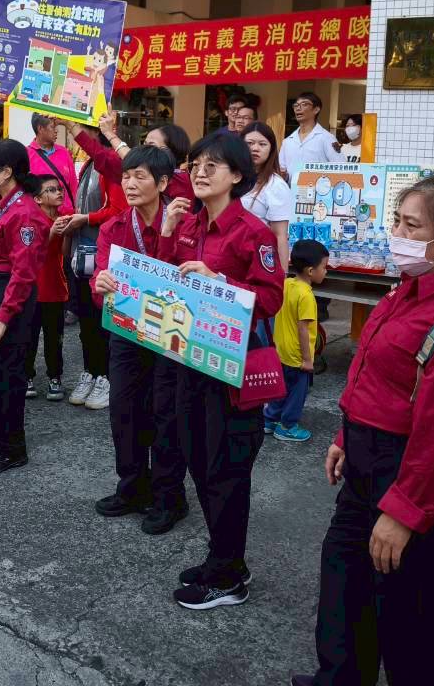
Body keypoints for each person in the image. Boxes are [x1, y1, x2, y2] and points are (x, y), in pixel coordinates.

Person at [293, 174, 434, 686]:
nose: (397, 234)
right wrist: (346, 436)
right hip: (366, 465)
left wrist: (404, 512)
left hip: (414, 482)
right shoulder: (408, 289)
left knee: (413, 633)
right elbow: (375, 374)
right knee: (345, 595)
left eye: (412, 225)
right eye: (397, 221)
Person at [157, 131, 285, 610]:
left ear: (237, 175)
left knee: (226, 472)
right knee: (196, 459)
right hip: (191, 358)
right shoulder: (189, 223)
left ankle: (227, 575)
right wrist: (168, 235)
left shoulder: (252, 232)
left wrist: (221, 284)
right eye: (195, 164)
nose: (200, 172)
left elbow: (270, 298)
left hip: (232, 373)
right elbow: (169, 280)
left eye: (213, 165)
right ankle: (225, 559)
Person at [92, 144, 190, 535]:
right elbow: (100, 282)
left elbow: (181, 284)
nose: (129, 184)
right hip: (128, 333)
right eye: (126, 176)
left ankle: (170, 497)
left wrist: (167, 236)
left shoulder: (186, 225)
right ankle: (132, 486)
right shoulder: (112, 228)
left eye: (140, 176)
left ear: (163, 183)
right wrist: (99, 283)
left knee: (167, 415)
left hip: (172, 336)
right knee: (125, 409)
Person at [0, 139, 50, 474]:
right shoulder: (0, 202)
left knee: (7, 375)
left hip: (8, 297)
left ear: (7, 172)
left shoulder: (26, 213)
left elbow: (24, 273)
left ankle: (12, 448)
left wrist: (2, 317)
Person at [59, 126, 127, 411]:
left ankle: (105, 378)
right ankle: (90, 371)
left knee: (101, 319)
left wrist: (85, 218)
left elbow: (118, 209)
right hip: (81, 251)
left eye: (81, 132)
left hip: (100, 253)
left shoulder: (109, 163)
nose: (77, 139)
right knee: (86, 317)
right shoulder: (88, 163)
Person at [264, 239, 328, 444]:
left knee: (280, 386)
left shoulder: (287, 284)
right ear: (311, 271)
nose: (326, 271)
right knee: (297, 392)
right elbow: (303, 329)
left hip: (281, 350)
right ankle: (288, 426)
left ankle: (270, 419)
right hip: (298, 355)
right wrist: (308, 360)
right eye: (324, 267)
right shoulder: (306, 296)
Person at [23, 176, 68, 401]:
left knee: (55, 338)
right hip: (33, 288)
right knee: (29, 337)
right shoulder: (31, 220)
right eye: (51, 190)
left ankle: (55, 376)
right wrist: (52, 233)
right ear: (38, 199)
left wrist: (66, 232)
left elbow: (65, 253)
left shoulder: (64, 219)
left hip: (56, 288)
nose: (58, 193)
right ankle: (27, 376)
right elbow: (33, 252)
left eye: (59, 189)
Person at [240, 121, 292, 263]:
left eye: (262, 144)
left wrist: (282, 277)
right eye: (249, 143)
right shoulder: (228, 177)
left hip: (256, 259)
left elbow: (280, 236)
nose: (255, 148)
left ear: (271, 149)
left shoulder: (276, 186)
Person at [278, 91, 343, 184]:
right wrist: (283, 175)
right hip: (291, 194)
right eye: (296, 105)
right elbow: (282, 169)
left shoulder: (326, 138)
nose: (298, 108)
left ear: (316, 110)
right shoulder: (287, 141)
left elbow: (341, 166)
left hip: (318, 194)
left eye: (304, 104)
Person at [27, 113, 77, 213]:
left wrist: (76, 208)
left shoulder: (64, 152)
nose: (56, 131)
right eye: (52, 127)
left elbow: (73, 184)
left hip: (67, 215)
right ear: (40, 128)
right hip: (41, 217)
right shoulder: (27, 155)